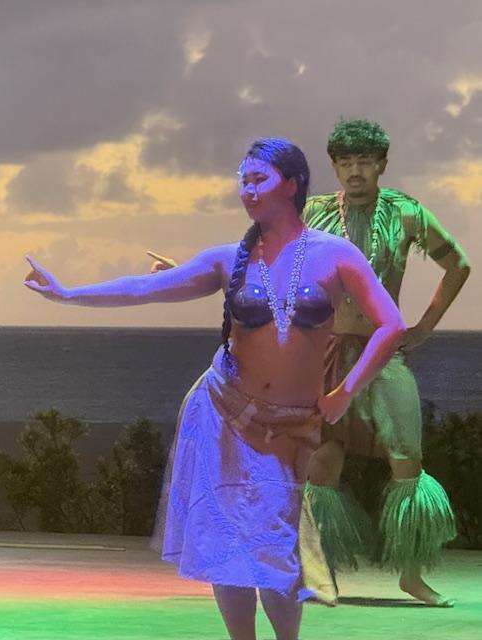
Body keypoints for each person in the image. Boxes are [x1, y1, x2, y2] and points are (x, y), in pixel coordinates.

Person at [24, 138, 405, 640]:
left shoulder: (335, 255)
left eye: (259, 179)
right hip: (224, 414)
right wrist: (69, 294)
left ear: (292, 184)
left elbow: (391, 325)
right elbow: (147, 288)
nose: (248, 190)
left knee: (276, 546)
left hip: (290, 426)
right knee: (227, 546)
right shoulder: (230, 259)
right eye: (243, 181)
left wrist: (346, 392)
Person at [301, 119, 470, 608]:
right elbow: (262, 259)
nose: (355, 171)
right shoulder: (312, 214)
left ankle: (411, 576)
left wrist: (426, 326)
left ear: (381, 165)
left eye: (365, 162)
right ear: (335, 166)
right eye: (346, 163)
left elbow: (458, 265)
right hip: (326, 353)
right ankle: (320, 574)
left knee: (406, 460)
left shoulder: (406, 213)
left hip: (383, 352)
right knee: (321, 461)